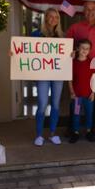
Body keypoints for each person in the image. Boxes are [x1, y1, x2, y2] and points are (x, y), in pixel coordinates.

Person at [66, 1, 95, 136]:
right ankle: (73, 127)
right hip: (79, 65)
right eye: (87, 9)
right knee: (75, 98)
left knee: (94, 98)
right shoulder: (75, 27)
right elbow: (65, 45)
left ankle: (92, 126)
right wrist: (71, 52)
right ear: (83, 11)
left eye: (93, 9)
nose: (90, 12)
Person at [31, 8, 65, 146]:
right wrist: (14, 52)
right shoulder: (36, 35)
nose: (53, 19)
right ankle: (39, 135)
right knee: (42, 104)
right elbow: (27, 53)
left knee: (56, 104)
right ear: (45, 18)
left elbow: (66, 56)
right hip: (43, 74)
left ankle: (52, 133)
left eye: (56, 17)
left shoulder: (63, 37)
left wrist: (71, 55)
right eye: (50, 17)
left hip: (58, 74)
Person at [69, 39, 95, 143]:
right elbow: (69, 79)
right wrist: (71, 91)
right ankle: (75, 132)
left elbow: (94, 78)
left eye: (87, 49)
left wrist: (93, 92)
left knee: (89, 113)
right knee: (76, 114)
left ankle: (88, 131)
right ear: (77, 48)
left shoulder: (91, 63)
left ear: (89, 50)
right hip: (77, 96)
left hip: (88, 95)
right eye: (82, 48)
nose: (84, 50)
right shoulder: (73, 63)